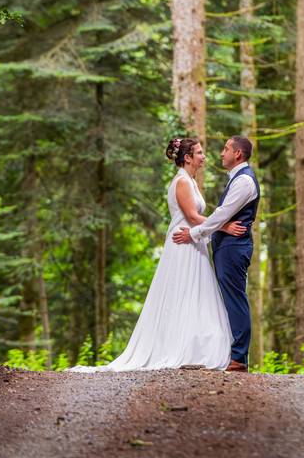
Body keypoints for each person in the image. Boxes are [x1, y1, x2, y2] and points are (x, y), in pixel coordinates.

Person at [70, 138, 246, 372]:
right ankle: (176, 347)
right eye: (200, 153)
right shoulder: (182, 182)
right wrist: (224, 227)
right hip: (183, 243)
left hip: (194, 240)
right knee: (182, 293)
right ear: (187, 158)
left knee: (196, 294)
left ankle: (196, 346)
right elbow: (193, 217)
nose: (204, 156)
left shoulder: (191, 181)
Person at [172, 136, 259, 372]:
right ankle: (230, 354)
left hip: (233, 248)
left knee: (234, 299)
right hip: (225, 246)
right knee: (228, 299)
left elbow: (222, 215)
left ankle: (239, 357)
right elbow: (220, 217)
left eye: (226, 149)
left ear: (238, 154)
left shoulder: (244, 182)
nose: (221, 153)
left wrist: (195, 233)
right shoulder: (235, 179)